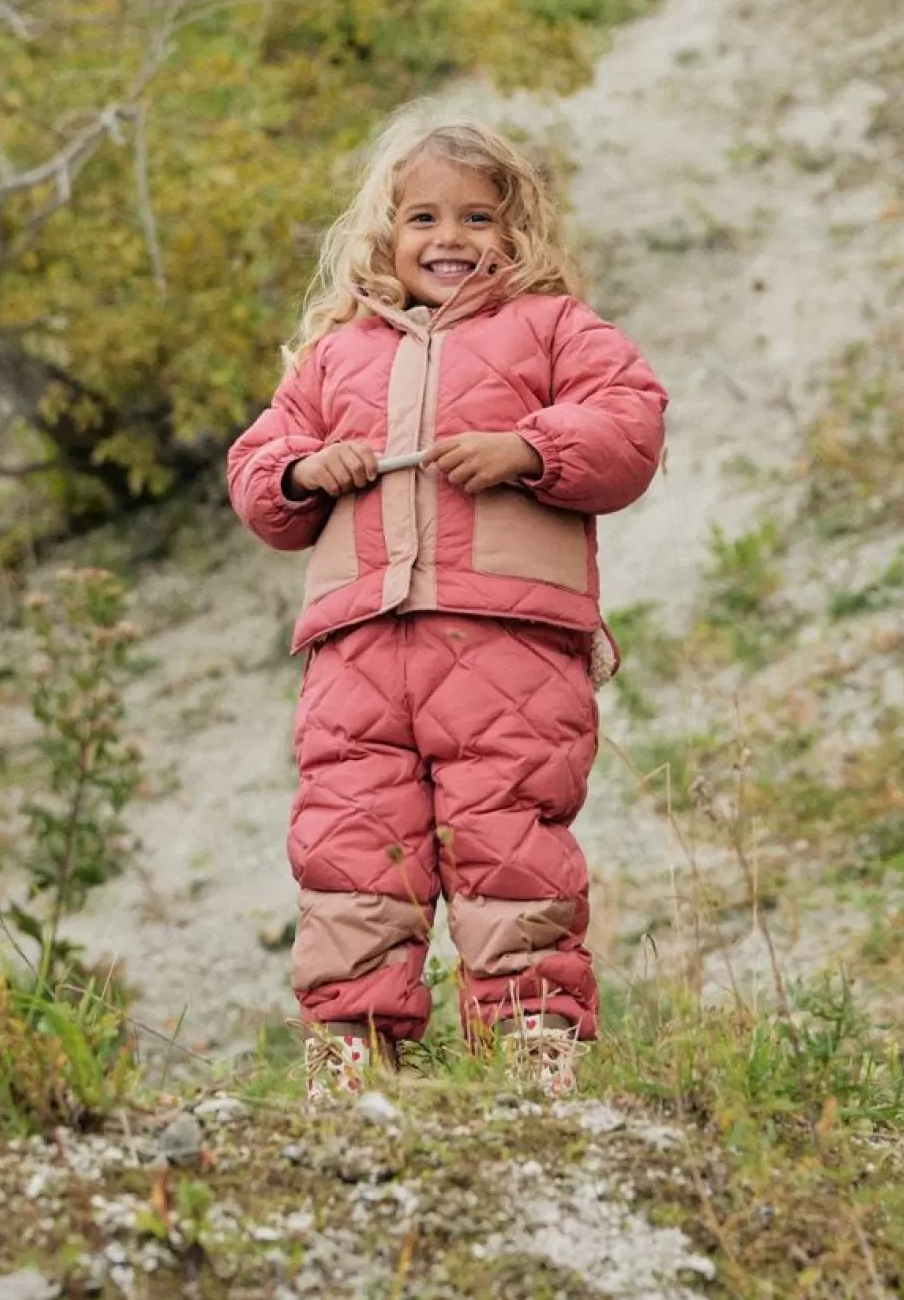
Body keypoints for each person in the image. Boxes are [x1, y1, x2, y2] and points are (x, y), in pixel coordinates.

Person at [227, 111, 667, 1099]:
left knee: (510, 845)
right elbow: (256, 469)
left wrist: (531, 447)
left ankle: (529, 1055)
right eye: (423, 217)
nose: (451, 239)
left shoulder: (553, 328)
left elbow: (631, 422)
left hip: (511, 651)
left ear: (520, 231)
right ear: (383, 233)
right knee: (351, 852)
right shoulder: (335, 355)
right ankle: (353, 1064)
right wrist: (303, 471)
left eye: (479, 217)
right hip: (357, 660)